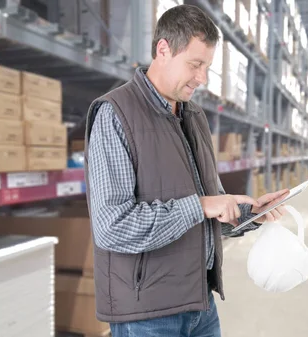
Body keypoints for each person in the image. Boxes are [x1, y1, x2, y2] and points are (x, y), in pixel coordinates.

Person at [83, 4, 289, 336]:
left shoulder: (193, 117)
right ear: (162, 50)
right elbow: (113, 226)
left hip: (199, 303)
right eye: (195, 65)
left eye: (207, 66)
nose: (202, 78)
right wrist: (201, 205)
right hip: (148, 315)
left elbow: (208, 214)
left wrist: (250, 213)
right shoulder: (116, 114)